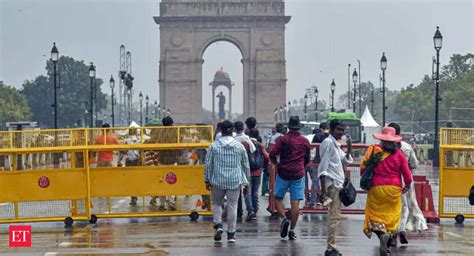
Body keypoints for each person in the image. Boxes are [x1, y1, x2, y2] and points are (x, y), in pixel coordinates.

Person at [360, 126, 413, 256]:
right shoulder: (399, 154)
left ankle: (382, 235)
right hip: (394, 190)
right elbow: (408, 175)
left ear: (382, 139)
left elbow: (362, 170)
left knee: (374, 216)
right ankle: (388, 239)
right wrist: (406, 186)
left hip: (376, 188)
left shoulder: (373, 150)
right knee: (392, 216)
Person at [205, 120, 250, 243]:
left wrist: (207, 180)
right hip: (235, 181)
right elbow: (245, 165)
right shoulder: (239, 146)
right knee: (233, 206)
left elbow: (208, 165)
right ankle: (231, 234)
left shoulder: (213, 146)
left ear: (221, 131)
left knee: (216, 203)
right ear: (233, 131)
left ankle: (218, 225)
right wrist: (246, 182)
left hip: (218, 180)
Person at [270, 116, 310, 241]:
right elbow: (308, 158)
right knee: (295, 203)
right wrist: (301, 165)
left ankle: (284, 218)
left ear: (288, 127)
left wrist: (276, 164)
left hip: (283, 173)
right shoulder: (305, 141)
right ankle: (292, 230)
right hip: (298, 173)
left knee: (277, 198)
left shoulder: (282, 140)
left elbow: (272, 154)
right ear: (299, 128)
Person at [387, 123, 427, 246]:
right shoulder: (406, 146)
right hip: (405, 180)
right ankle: (401, 229)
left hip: (388, 180)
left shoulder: (384, 147)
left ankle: (391, 234)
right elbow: (414, 164)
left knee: (390, 208)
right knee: (404, 208)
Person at [318, 120, 353, 256]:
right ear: (331, 129)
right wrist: (323, 190)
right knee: (334, 216)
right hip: (332, 185)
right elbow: (323, 167)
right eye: (339, 129)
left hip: (337, 183)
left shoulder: (336, 144)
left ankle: (332, 246)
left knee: (336, 216)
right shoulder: (328, 143)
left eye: (343, 130)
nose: (342, 132)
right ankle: (330, 247)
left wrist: (349, 149)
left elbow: (344, 160)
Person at [242, 128, 269, 221]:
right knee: (255, 192)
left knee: (247, 192)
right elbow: (266, 157)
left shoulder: (245, 144)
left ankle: (250, 211)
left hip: (247, 172)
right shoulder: (260, 145)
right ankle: (255, 209)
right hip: (258, 172)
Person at [234, 121, 255, 219]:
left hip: (236, 167)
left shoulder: (233, 140)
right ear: (243, 128)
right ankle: (250, 210)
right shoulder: (247, 139)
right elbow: (253, 150)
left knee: (237, 190)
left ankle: (239, 211)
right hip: (246, 166)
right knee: (247, 189)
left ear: (235, 129)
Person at [307, 122, 330, 208]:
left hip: (316, 161)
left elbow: (311, 147)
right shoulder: (331, 137)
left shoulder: (317, 136)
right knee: (327, 183)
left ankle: (313, 201)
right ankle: (326, 203)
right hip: (328, 163)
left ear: (320, 128)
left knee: (315, 182)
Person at [122, 127, 142, 206]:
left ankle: (133, 198)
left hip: (129, 162)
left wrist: (119, 162)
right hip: (138, 162)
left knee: (130, 180)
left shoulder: (126, 141)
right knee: (139, 179)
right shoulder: (140, 140)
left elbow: (123, 152)